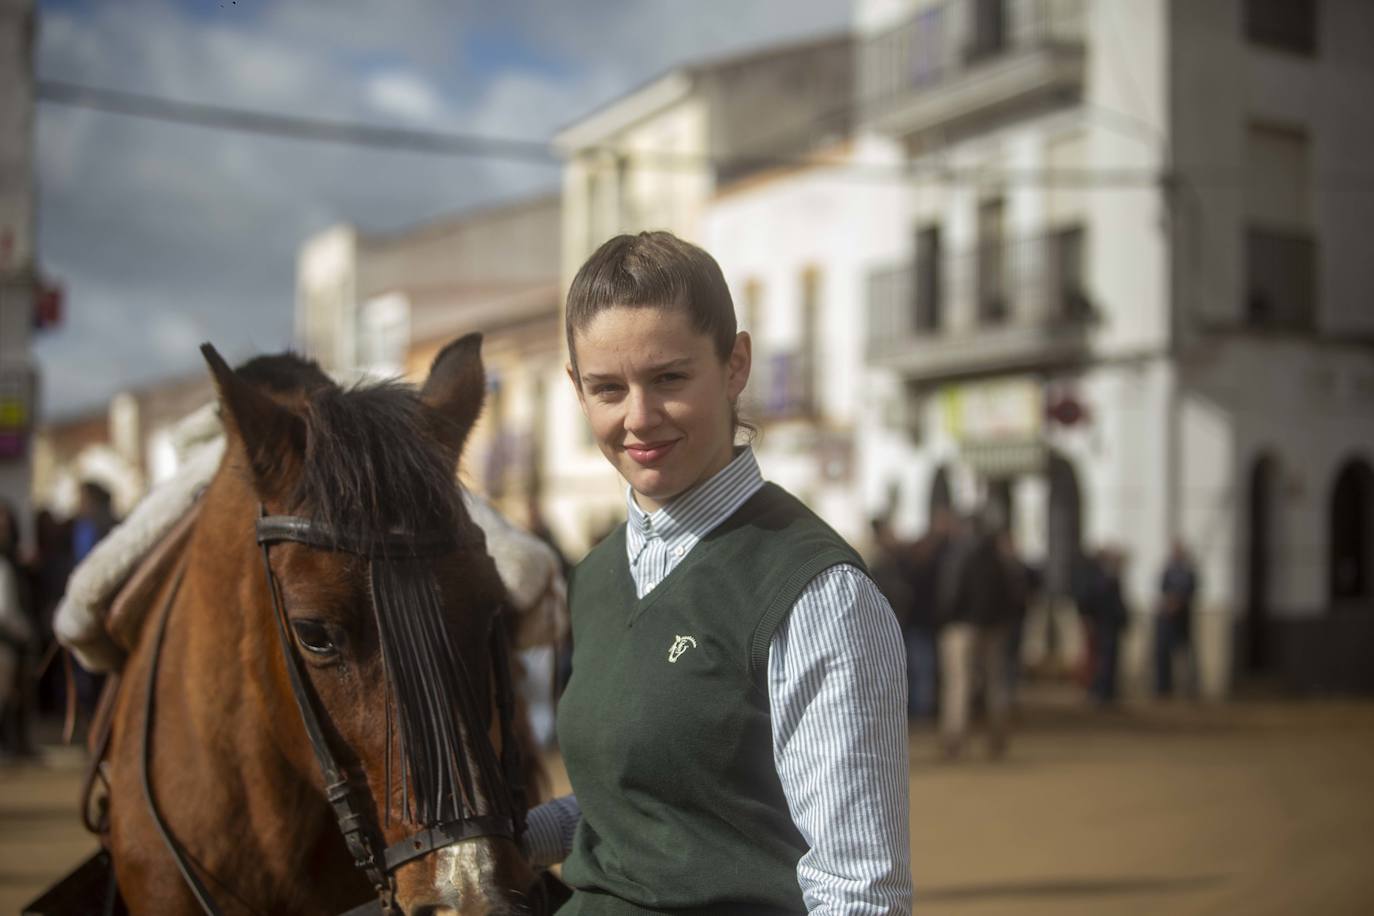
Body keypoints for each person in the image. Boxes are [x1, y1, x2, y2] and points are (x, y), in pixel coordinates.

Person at [524, 231, 912, 913]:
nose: (638, 418)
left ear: (735, 364)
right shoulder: (595, 578)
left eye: (669, 378)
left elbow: (859, 892)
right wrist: (505, 838)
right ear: (575, 388)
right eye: (607, 388)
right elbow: (644, 803)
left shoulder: (816, 593)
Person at [0, 500, 36, 759]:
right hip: (7, 638)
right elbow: (5, 610)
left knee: (15, 696)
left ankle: (16, 745)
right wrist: (24, 632)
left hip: (13, 641)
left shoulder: (14, 560)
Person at [1154, 540, 1199, 698]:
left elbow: (1191, 591)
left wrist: (1178, 603)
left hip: (1183, 619)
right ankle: (1163, 687)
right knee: (1162, 653)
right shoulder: (1168, 570)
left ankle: (1190, 688)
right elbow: (1163, 588)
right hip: (1168, 620)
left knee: (1186, 655)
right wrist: (1169, 603)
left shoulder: (1189, 572)